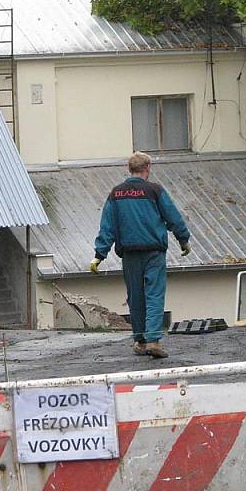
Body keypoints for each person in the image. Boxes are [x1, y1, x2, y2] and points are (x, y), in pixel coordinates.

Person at [90, 152, 191, 359]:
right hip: (154, 251)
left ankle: (140, 341)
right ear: (148, 168)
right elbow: (173, 217)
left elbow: (107, 227)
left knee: (135, 297)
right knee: (154, 294)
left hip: (129, 253)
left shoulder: (116, 194)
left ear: (129, 169)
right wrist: (183, 240)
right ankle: (153, 340)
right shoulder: (155, 190)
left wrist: (99, 255)